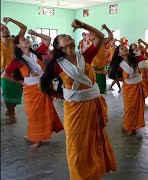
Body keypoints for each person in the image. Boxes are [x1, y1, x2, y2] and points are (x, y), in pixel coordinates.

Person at [40, 19, 116, 179]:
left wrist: (84, 25)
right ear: (58, 46)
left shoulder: (85, 57)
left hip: (93, 105)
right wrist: (64, 96)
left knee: (93, 140)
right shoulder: (56, 65)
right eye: (63, 36)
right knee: (76, 145)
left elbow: (100, 37)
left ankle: (93, 172)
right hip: (74, 109)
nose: (67, 36)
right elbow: (44, 86)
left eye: (68, 34)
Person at [4, 28, 63, 149]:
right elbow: (5, 75)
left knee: (44, 113)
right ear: (18, 45)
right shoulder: (17, 61)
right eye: (23, 40)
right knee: (33, 115)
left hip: (43, 87)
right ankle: (35, 136)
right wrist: (20, 81)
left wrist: (35, 33)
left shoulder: (37, 53)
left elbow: (47, 39)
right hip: (30, 91)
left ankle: (39, 137)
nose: (27, 40)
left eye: (26, 39)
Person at [1, 17, 27, 124]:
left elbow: (23, 28)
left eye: (6, 29)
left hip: (18, 72)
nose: (5, 30)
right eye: (2, 30)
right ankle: (12, 113)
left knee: (17, 94)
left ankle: (11, 109)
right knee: (7, 95)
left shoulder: (15, 41)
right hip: (4, 74)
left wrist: (11, 20)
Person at [90, 24, 113, 94]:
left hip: (102, 70)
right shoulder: (90, 47)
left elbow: (111, 36)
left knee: (101, 92)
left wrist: (106, 28)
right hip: (94, 71)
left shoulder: (102, 43)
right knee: (95, 92)